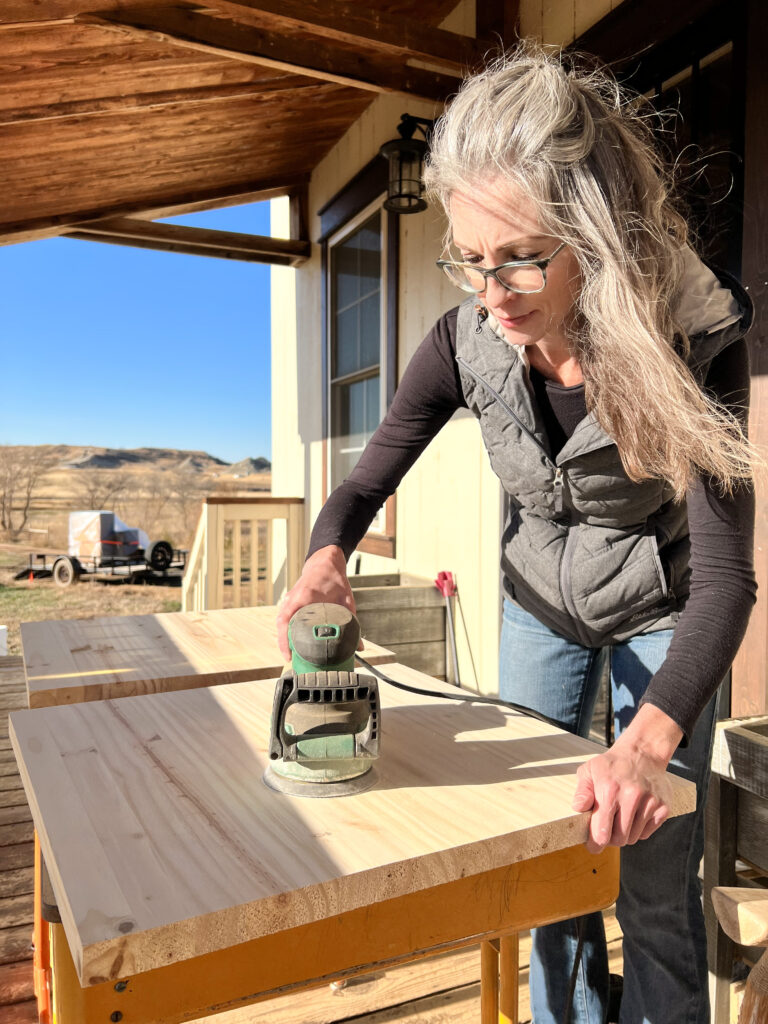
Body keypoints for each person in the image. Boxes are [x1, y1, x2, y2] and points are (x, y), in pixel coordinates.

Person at [277, 43, 757, 1023]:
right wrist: (328, 551)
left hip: (663, 614)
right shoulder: (465, 341)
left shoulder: (693, 335)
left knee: (651, 874)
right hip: (539, 605)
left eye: (524, 258)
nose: (494, 294)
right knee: (545, 859)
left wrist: (647, 743)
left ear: (599, 232)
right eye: (472, 260)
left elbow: (726, 578)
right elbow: (370, 474)